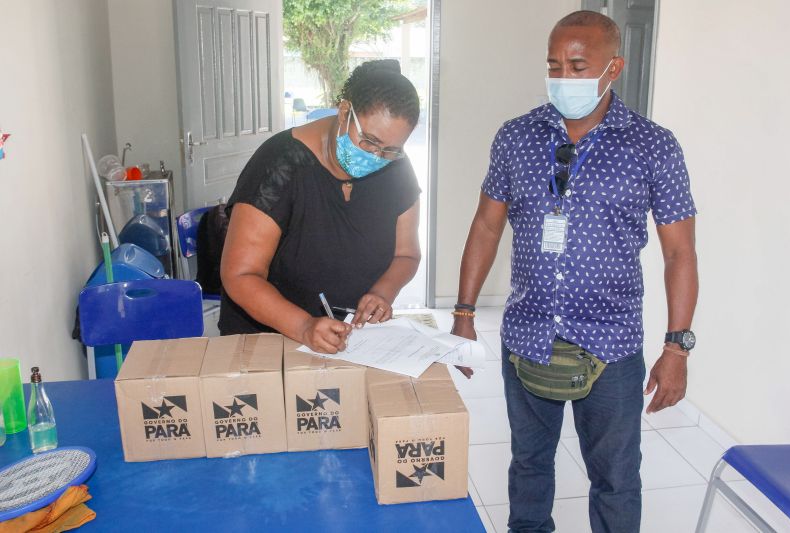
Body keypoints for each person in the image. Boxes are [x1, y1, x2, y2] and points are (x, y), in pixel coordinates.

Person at [452, 11, 698, 533]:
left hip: (611, 346)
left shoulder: (654, 146)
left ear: (614, 67)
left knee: (615, 479)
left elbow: (680, 253)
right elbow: (486, 227)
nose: (563, 77)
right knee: (529, 467)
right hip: (527, 337)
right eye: (554, 65)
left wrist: (676, 346)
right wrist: (464, 312)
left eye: (578, 65)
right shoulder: (515, 137)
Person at [220, 60, 422, 354]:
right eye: (368, 141)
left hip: (351, 341)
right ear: (344, 112)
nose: (376, 156)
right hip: (268, 340)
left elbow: (406, 254)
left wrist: (382, 293)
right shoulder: (280, 165)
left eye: (390, 150)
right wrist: (303, 326)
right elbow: (240, 275)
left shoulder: (395, 167)